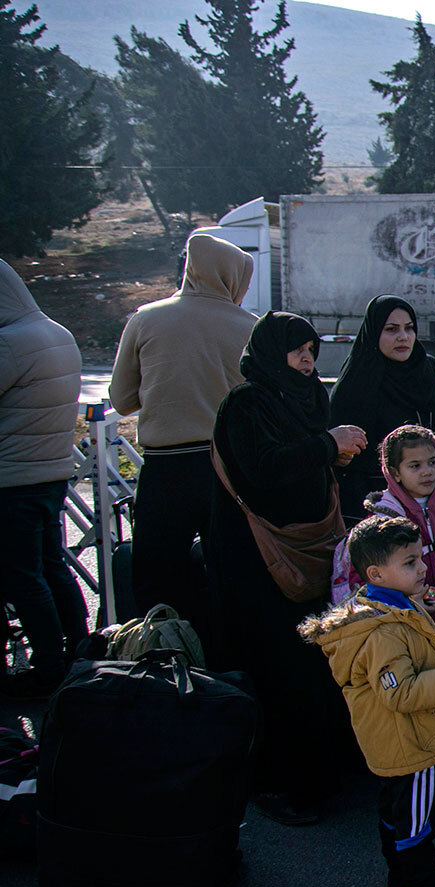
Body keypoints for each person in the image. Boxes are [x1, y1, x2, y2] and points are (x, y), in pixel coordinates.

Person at [299, 515, 435, 887]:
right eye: (409, 562)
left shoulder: (390, 607)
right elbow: (402, 692)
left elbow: (410, 660)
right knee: (418, 821)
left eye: (420, 556)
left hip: (391, 741)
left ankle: (402, 880)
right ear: (375, 573)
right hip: (414, 744)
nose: (423, 567)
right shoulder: (385, 629)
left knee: (396, 810)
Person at [207, 312, 367, 825]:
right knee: (279, 667)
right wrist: (326, 445)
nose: (306, 360)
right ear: (271, 352)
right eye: (297, 351)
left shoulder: (305, 395)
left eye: (311, 351)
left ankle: (325, 774)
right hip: (257, 558)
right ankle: (296, 787)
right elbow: (263, 469)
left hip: (308, 548)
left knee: (312, 660)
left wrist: (333, 457)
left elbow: (301, 462)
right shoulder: (246, 403)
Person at [109, 234, 256, 634]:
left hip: (164, 468)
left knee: (157, 578)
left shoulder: (145, 318)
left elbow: (121, 400)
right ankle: (227, 670)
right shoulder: (251, 327)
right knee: (228, 573)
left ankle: (162, 660)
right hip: (226, 468)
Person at [0, 261, 86, 699]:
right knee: (53, 566)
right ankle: (79, 649)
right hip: (51, 471)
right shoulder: (55, 331)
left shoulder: (11, 342)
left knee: (22, 576)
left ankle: (47, 667)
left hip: (12, 476)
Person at [330, 295, 435, 530]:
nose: (403, 337)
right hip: (378, 508)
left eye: (409, 328)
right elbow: (345, 456)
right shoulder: (357, 379)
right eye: (391, 329)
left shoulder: (431, 372)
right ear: (374, 333)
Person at [331, 425, 435, 630]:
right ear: (394, 472)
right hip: (404, 624)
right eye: (415, 466)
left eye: (433, 462)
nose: (427, 472)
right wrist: (408, 604)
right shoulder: (383, 521)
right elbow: (366, 582)